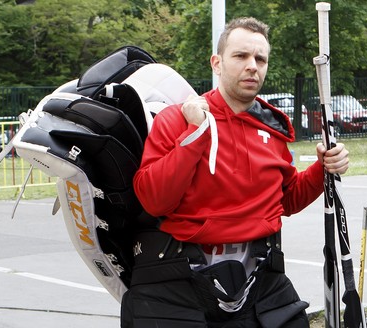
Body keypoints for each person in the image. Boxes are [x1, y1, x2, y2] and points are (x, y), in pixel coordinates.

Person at [123, 17, 349, 328]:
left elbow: (287, 200)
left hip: (259, 276)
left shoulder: (272, 129)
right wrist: (196, 134)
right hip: (180, 278)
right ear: (217, 63)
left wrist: (322, 169)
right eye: (241, 56)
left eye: (260, 58)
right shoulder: (176, 120)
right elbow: (154, 201)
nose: (252, 66)